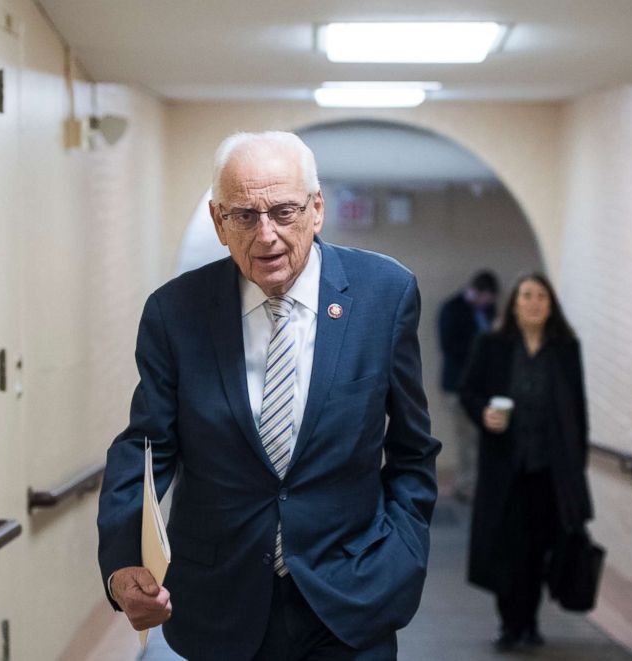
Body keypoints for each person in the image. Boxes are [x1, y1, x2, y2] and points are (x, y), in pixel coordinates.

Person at [97, 131, 442, 660]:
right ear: (217, 221)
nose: (266, 236)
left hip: (352, 594)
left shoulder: (385, 295)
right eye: (243, 215)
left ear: (316, 209)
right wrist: (123, 563)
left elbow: (414, 449)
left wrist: (403, 553)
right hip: (221, 602)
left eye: (284, 211)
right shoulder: (176, 312)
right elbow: (145, 446)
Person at [458, 272, 592, 652]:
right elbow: (469, 391)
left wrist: (577, 467)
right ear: (514, 303)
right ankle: (508, 623)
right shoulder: (493, 345)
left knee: (539, 548)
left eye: (541, 297)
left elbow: (578, 411)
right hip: (506, 467)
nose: (534, 303)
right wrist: (484, 413)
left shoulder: (566, 350)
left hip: (550, 469)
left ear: (551, 306)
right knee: (507, 548)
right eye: (527, 295)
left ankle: (529, 622)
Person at [437, 270, 499, 501]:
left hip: (483, 387)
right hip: (458, 385)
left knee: (479, 438)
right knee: (465, 437)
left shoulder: (488, 311)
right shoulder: (452, 309)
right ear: (479, 292)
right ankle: (465, 485)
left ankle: (476, 483)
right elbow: (449, 347)